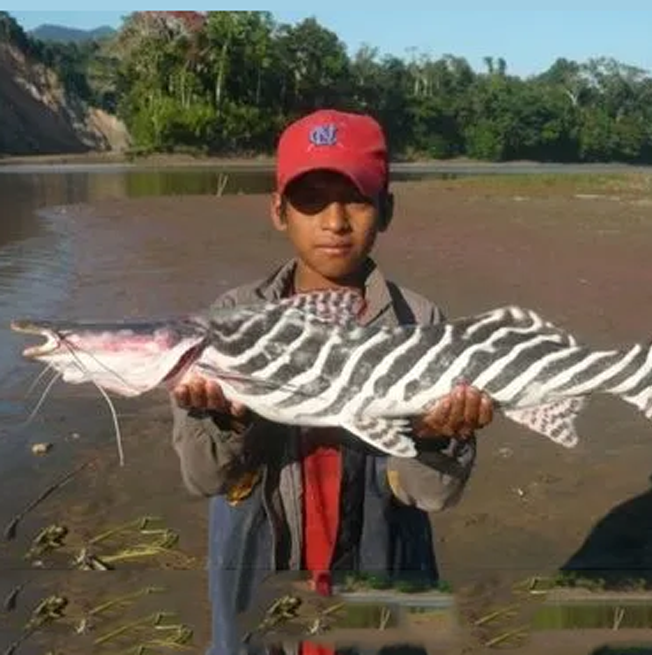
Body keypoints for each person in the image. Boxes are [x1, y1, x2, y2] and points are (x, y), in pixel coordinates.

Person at [169, 109, 494, 654]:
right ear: (279, 210)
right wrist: (224, 421)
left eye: (356, 198)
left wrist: (440, 437)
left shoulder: (419, 322)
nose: (335, 221)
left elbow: (431, 493)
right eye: (311, 199)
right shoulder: (229, 319)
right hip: (259, 580)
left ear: (386, 210)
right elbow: (203, 480)